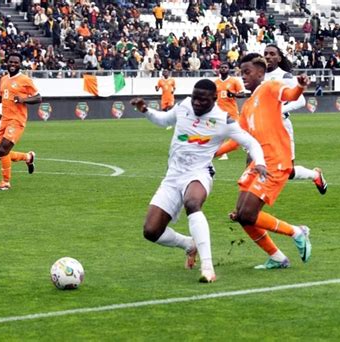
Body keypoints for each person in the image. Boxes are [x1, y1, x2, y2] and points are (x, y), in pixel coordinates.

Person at [130, 79, 267, 282]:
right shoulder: (184, 106)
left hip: (199, 172)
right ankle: (189, 245)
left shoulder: (223, 120)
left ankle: (208, 268)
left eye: (202, 100)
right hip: (173, 175)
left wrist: (260, 162)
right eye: (195, 98)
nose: (197, 103)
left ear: (214, 99)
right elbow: (164, 120)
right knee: (151, 231)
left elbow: (251, 142)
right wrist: (145, 111)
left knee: (192, 203)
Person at [215, 53, 312, 269]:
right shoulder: (248, 105)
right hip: (259, 163)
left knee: (248, 213)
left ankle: (297, 232)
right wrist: (211, 153)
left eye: (247, 72)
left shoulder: (270, 87)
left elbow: (291, 94)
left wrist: (300, 87)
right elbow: (238, 138)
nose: (244, 77)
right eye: (241, 73)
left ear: (261, 72)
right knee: (241, 216)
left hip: (276, 160)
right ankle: (277, 258)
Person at [263, 44, 327, 194]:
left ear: (279, 58)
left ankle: (315, 175)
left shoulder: (285, 76)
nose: (268, 56)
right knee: (254, 162)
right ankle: (248, 208)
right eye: (265, 53)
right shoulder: (259, 75)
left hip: (282, 126)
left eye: (272, 54)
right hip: (263, 126)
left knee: (288, 172)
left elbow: (300, 101)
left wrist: (279, 110)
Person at [0, 52, 42, 190]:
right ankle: (28, 157)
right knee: (1, 154)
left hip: (17, 120)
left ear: (20, 64)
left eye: (16, 62)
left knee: (3, 150)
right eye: (11, 62)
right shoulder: (4, 79)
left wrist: (23, 100)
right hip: (4, 119)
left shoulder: (25, 80)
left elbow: (38, 98)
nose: (13, 64)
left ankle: (5, 183)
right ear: (7, 63)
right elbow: (3, 97)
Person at [214, 62, 245, 160]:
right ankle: (223, 153)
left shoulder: (234, 81)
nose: (223, 69)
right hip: (220, 112)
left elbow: (242, 94)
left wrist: (234, 95)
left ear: (228, 69)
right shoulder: (216, 82)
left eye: (225, 67)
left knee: (238, 131)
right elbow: (213, 96)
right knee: (220, 132)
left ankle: (245, 144)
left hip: (232, 111)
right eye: (222, 67)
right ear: (219, 69)